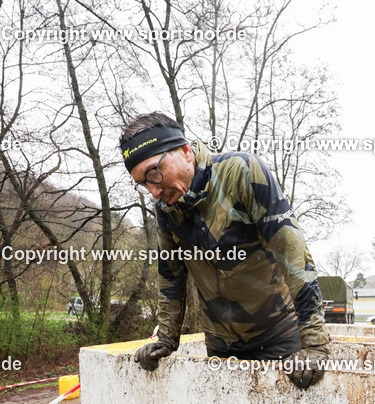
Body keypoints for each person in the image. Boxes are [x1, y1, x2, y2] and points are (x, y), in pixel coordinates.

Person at [121, 112, 330, 389]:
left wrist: (314, 345)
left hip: (278, 336)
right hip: (220, 345)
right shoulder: (166, 208)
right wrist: (166, 340)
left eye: (153, 174)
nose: (153, 191)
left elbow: (293, 255)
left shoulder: (242, 172)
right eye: (143, 183)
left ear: (185, 152)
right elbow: (170, 276)